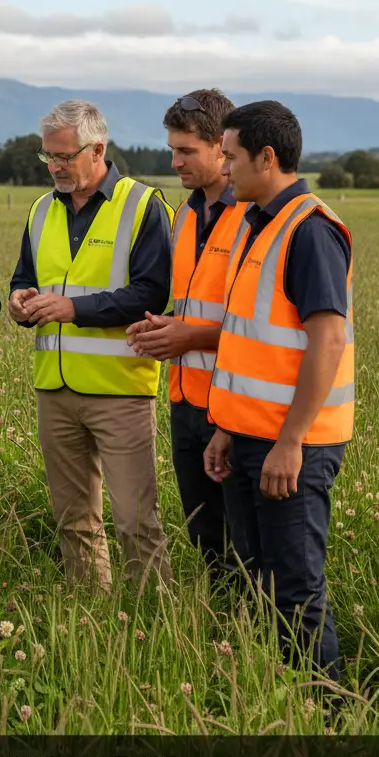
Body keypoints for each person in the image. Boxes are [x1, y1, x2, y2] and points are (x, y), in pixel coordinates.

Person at [203, 100, 353, 680]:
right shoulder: (256, 223)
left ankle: (328, 717)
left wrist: (289, 443)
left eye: (232, 156)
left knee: (295, 591)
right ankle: (280, 702)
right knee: (262, 585)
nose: (225, 166)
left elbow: (328, 343)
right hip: (249, 438)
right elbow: (251, 343)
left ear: (267, 158)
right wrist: (226, 428)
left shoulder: (310, 231)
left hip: (293, 448)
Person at [9, 100, 174, 593]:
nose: (55, 167)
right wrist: (20, 301)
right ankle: (93, 613)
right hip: (54, 389)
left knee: (135, 520)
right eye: (48, 158)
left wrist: (73, 310)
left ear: (97, 148)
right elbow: (26, 277)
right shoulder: (41, 209)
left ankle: (154, 622)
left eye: (63, 157)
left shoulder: (143, 206)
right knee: (74, 519)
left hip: (120, 389)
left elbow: (151, 293)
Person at [127, 89, 247, 580]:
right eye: (173, 149)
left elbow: (261, 327)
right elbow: (190, 304)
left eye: (187, 151)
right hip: (184, 400)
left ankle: (259, 644)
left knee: (247, 544)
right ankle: (224, 638)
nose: (174, 161)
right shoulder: (185, 215)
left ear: (222, 147)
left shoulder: (252, 218)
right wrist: (164, 327)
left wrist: (187, 338)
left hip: (237, 404)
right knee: (206, 537)